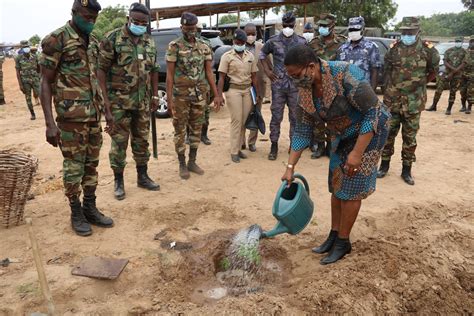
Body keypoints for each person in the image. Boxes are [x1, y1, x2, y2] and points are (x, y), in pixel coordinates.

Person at [281, 45, 390, 265]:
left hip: (370, 131)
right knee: (337, 184)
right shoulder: (305, 90)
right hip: (342, 134)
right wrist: (290, 167)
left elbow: (373, 112)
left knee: (351, 185)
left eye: (296, 75)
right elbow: (302, 131)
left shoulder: (346, 74)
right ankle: (334, 234)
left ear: (311, 67)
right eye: (290, 76)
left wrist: (357, 153)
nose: (294, 81)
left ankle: (343, 242)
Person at [39, 0, 113, 236]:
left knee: (91, 165)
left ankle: (90, 207)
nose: (90, 21)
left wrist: (107, 111)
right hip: (71, 118)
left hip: (93, 116)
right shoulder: (56, 40)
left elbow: (96, 79)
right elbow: (44, 82)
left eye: (94, 18)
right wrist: (50, 124)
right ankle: (76, 211)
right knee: (73, 167)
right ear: (74, 13)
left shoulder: (92, 41)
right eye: (86, 16)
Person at [97, 2, 160, 201]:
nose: (140, 25)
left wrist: (155, 96)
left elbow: (154, 70)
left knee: (142, 141)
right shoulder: (113, 38)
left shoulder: (148, 41)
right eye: (136, 21)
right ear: (128, 19)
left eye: (144, 22)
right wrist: (105, 103)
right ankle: (119, 182)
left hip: (142, 103)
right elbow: (100, 71)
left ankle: (143, 176)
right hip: (118, 104)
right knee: (119, 143)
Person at [377, 17, 439, 185]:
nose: (406, 34)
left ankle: (406, 170)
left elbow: (433, 72)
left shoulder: (429, 50)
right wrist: (390, 90)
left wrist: (420, 85)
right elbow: (387, 70)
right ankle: (384, 166)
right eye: (404, 31)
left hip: (413, 102)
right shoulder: (394, 49)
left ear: (418, 31)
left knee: (409, 138)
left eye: (410, 32)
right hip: (393, 101)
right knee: (388, 134)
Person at [166, 12, 223, 179]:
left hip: (199, 96)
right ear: (181, 28)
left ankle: (192, 161)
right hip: (180, 96)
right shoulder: (174, 46)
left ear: (197, 27)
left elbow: (209, 72)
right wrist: (169, 100)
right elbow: (169, 75)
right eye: (187, 28)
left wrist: (217, 94)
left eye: (193, 28)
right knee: (180, 131)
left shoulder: (204, 46)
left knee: (197, 129)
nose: (190, 31)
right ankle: (182, 163)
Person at [260, 11, 306, 160]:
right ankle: (274, 145)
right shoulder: (273, 41)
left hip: (295, 87)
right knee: (276, 116)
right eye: (285, 25)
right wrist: (268, 71)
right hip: (278, 85)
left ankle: (293, 146)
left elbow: (308, 59)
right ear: (282, 25)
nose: (287, 27)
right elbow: (262, 55)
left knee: (295, 117)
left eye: (290, 25)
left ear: (294, 25)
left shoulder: (301, 41)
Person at [217, 29, 260, 163]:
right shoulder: (227, 56)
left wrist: (257, 93)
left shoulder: (250, 56)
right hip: (233, 91)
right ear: (233, 42)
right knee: (236, 120)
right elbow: (221, 78)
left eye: (241, 42)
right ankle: (234, 151)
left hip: (247, 91)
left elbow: (254, 76)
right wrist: (219, 95)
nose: (239, 44)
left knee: (243, 121)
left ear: (244, 43)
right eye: (237, 42)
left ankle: (239, 148)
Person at [309, 13, 346, 159]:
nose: (322, 28)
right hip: (317, 86)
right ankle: (320, 146)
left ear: (332, 26)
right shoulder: (313, 43)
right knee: (318, 117)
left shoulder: (342, 43)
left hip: (335, 87)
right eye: (320, 26)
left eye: (325, 26)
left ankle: (331, 147)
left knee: (333, 117)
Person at [336, 17, 381, 91]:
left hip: (363, 91)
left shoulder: (371, 47)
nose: (353, 32)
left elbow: (375, 71)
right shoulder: (342, 48)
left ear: (362, 29)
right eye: (351, 30)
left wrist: (371, 93)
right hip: (345, 91)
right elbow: (338, 71)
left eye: (356, 30)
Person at [242, 23, 266, 152]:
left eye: (253, 33)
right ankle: (241, 142)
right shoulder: (238, 47)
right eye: (248, 34)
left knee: (256, 113)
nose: (250, 36)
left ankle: (252, 142)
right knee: (242, 115)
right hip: (243, 86)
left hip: (258, 87)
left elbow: (267, 66)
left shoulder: (261, 47)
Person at [427, 37, 467, 113]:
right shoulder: (449, 50)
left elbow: (464, 63)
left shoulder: (465, 52)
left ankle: (449, 109)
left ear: (462, 42)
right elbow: (445, 61)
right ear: (455, 42)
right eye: (457, 41)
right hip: (446, 73)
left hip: (457, 75)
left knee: (453, 91)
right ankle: (433, 106)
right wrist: (452, 70)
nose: (458, 42)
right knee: (439, 89)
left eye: (459, 41)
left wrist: (453, 72)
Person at [196, 22, 213, 145]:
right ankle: (188, 135)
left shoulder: (206, 43)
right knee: (189, 113)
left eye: (198, 30)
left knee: (205, 112)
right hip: (188, 85)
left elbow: (209, 66)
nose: (196, 32)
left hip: (203, 84)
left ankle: (204, 135)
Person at [15, 40, 40, 120]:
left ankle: (46, 112)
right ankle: (32, 114)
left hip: (36, 80)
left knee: (41, 95)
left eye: (27, 47)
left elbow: (39, 68)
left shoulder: (35, 56)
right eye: (24, 47)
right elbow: (18, 72)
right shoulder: (18, 58)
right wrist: (20, 85)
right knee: (28, 98)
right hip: (25, 82)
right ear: (22, 48)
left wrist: (40, 78)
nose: (26, 48)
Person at [464, 36, 474, 114]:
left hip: (472, 76)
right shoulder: (465, 52)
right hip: (464, 75)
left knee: (470, 92)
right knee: (463, 91)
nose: (472, 43)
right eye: (471, 41)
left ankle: (469, 107)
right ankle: (463, 106)